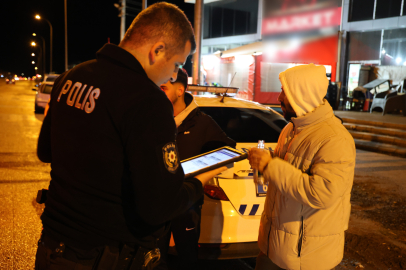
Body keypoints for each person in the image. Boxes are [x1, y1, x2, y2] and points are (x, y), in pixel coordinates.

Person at [35, 3, 225, 270]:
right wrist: (197, 183)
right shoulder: (147, 100)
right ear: (157, 50)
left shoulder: (71, 77)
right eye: (176, 64)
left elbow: (45, 151)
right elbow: (159, 207)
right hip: (106, 256)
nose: (173, 74)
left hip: (53, 246)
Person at [248, 64, 356, 270]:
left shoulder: (335, 139)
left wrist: (270, 165)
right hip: (272, 249)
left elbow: (322, 194)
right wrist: (265, 162)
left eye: (284, 91)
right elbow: (285, 177)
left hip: (307, 259)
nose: (279, 98)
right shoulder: (290, 129)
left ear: (302, 94)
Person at [157, 68, 236, 270]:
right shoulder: (154, 119)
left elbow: (227, 151)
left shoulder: (202, 122)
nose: (158, 91)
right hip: (158, 200)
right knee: (155, 257)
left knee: (187, 257)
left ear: (180, 90)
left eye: (164, 87)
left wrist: (200, 178)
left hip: (187, 203)